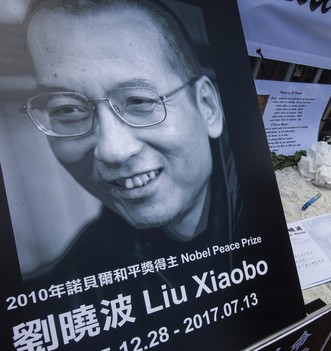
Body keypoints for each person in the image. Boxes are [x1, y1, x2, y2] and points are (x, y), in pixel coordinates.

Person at [21, 0, 243, 284]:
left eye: (139, 101)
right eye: (67, 109)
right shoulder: (72, 288)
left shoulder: (273, 209)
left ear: (207, 107)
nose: (113, 151)